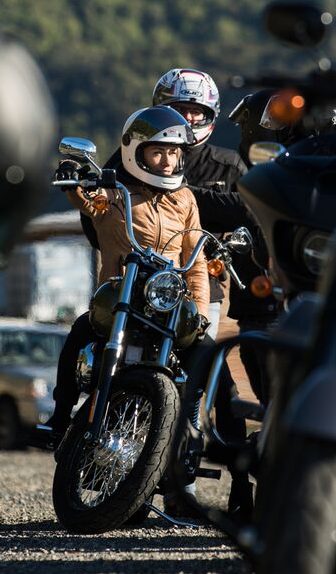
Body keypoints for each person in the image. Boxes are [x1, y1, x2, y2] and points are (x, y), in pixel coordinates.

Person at [48, 104, 252, 519]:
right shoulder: (115, 193)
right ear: (135, 151)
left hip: (169, 307)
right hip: (120, 300)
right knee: (79, 336)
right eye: (158, 152)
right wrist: (74, 173)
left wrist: (196, 311)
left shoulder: (186, 199)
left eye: (175, 153)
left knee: (221, 380)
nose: (168, 160)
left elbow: (194, 260)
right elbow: (86, 198)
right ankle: (58, 417)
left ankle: (239, 481)